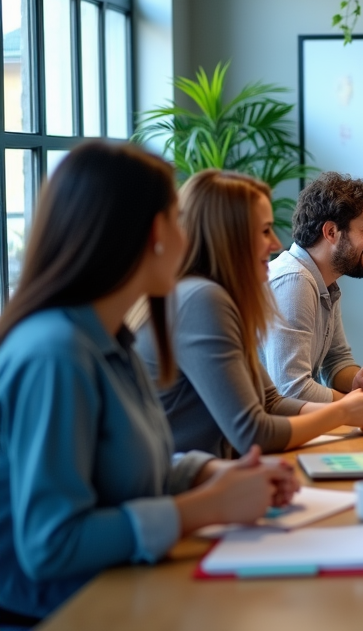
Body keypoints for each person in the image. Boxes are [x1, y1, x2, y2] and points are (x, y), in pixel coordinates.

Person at [0, 143, 297, 624]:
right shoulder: (54, 354)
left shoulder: (110, 337)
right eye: (179, 220)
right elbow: (51, 545)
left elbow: (134, 469)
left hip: (125, 589)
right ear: (157, 232)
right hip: (66, 613)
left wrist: (207, 474)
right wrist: (203, 508)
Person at [136, 170, 363, 459]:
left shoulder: (222, 296)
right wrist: (343, 411)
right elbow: (253, 433)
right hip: (193, 480)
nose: (274, 244)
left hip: (220, 470)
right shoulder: (203, 299)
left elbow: (271, 400)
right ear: (229, 235)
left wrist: (353, 408)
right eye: (265, 230)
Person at [260, 172, 363, 405]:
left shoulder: (325, 283)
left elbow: (337, 360)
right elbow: (291, 389)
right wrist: (357, 404)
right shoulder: (294, 281)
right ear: (330, 232)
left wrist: (362, 385)